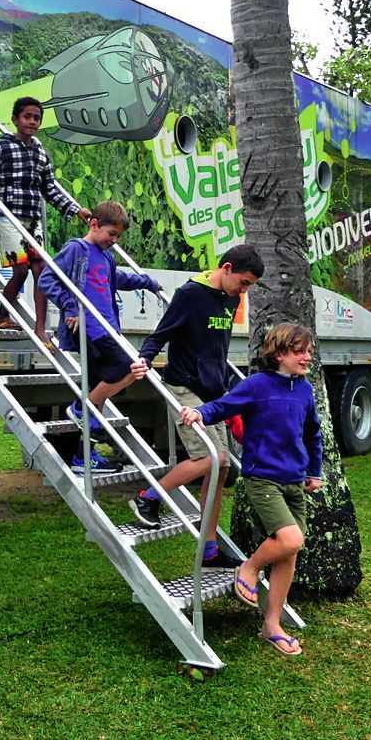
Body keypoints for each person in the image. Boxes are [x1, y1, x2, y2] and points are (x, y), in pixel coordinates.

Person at [178, 322, 322, 657]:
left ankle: (271, 625)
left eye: (309, 351)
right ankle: (250, 568)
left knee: (290, 551)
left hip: (294, 480)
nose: (307, 357)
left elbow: (312, 433)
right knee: (290, 539)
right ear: (280, 353)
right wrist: (199, 412)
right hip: (263, 479)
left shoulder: (304, 390)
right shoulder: (257, 385)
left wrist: (314, 471)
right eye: (300, 351)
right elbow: (224, 406)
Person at [129, 244, 265, 569]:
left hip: (214, 392)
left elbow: (217, 347)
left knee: (223, 470)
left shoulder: (231, 298)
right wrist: (144, 359)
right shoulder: (190, 294)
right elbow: (160, 335)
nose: (244, 292)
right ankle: (147, 498)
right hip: (183, 386)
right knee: (210, 458)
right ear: (227, 268)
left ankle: (209, 550)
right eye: (243, 283)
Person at [38, 201, 160, 474]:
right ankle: (82, 409)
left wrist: (147, 283)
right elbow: (47, 279)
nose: (114, 241)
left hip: (109, 327)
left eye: (118, 237)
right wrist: (70, 306)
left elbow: (117, 279)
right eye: (111, 234)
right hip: (90, 327)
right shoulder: (76, 249)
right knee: (132, 366)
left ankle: (84, 458)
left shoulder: (106, 256)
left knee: (98, 392)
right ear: (93, 224)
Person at [0, 96, 92, 339]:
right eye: (27, 117)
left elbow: (49, 189)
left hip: (33, 220)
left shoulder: (40, 151)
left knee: (41, 270)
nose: (32, 122)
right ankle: (2, 315)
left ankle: (41, 328)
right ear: (15, 120)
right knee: (20, 271)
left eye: (36, 118)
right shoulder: (1, 146)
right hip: (8, 217)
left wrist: (75, 209)